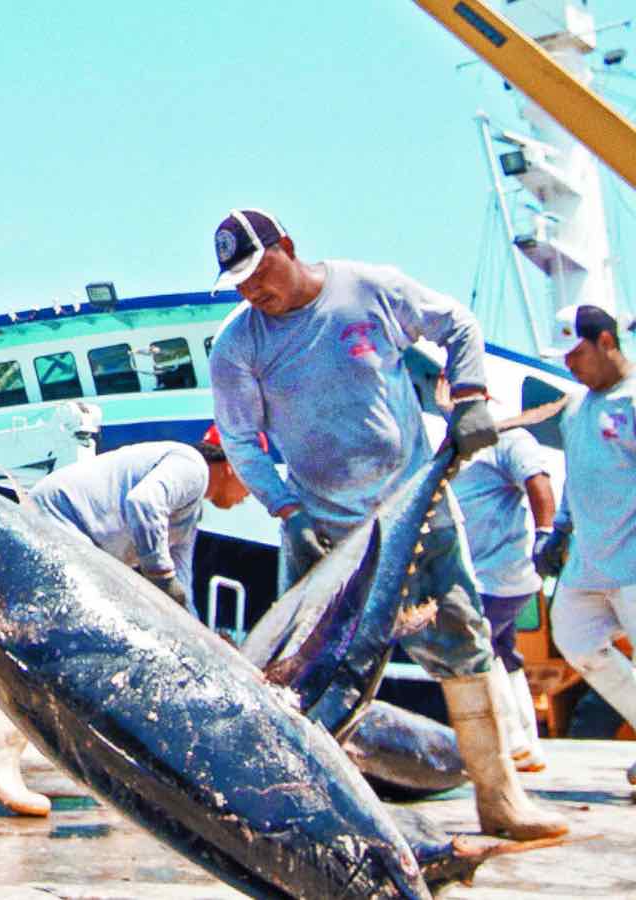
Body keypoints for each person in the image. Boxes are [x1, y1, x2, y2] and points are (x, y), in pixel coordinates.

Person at [208, 208, 567, 841]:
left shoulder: (369, 289)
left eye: (258, 271)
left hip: (415, 510)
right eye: (237, 282)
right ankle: (309, 814)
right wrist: (286, 510)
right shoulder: (238, 345)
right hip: (323, 534)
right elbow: (239, 440)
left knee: (464, 642)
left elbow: (458, 324)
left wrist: (471, 397)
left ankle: (500, 798)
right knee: (302, 676)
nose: (251, 290)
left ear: (287, 245)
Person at [0, 437, 249, 816]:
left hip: (78, 543)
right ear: (230, 466)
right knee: (57, 655)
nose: (250, 496)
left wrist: (199, 640)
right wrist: (160, 575)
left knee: (77, 660)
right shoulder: (191, 466)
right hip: (58, 527)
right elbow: (144, 503)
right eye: (250, 482)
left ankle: (18, 757)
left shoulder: (189, 513)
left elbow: (182, 584)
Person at [535, 303, 636, 784]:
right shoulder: (575, 409)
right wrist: (559, 529)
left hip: (633, 563)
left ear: (607, 342)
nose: (569, 364)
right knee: (575, 639)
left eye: (576, 353)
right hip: (589, 563)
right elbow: (575, 475)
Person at [436, 375, 554, 772]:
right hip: (476, 572)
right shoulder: (459, 439)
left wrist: (545, 533)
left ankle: (513, 741)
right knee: (504, 652)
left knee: (473, 647)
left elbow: (537, 480)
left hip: (497, 574)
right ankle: (527, 746)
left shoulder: (508, 438)